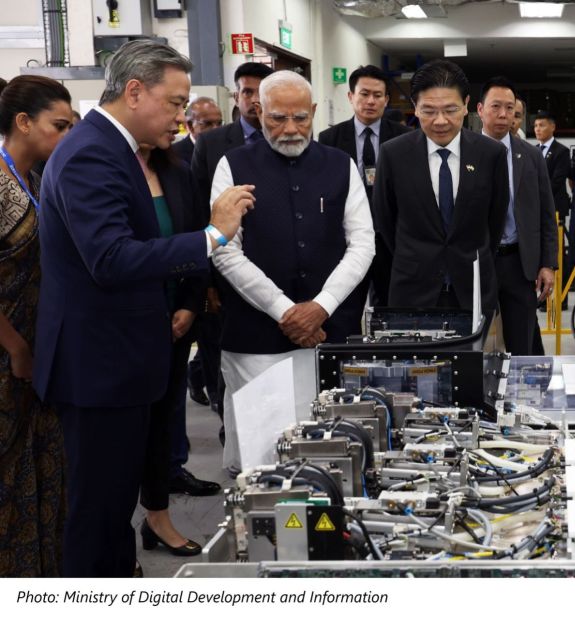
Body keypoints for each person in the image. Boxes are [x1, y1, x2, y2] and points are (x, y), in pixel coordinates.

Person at [33, 39, 255, 577]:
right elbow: (110, 259)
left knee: (112, 510)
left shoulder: (117, 149)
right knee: (97, 514)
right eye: (175, 102)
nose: (180, 116)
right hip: (98, 367)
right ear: (134, 92)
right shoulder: (91, 152)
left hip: (122, 360)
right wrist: (212, 236)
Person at [211, 70, 375, 473]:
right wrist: (286, 311)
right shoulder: (232, 165)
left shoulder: (340, 164)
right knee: (261, 458)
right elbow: (225, 251)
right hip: (255, 338)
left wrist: (321, 306)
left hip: (328, 332)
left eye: (300, 118)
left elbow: (363, 244)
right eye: (277, 118)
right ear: (257, 110)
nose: (289, 129)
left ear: (314, 111)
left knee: (331, 451)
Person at [0, 75, 73, 576]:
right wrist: (15, 347)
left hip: (37, 346)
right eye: (58, 126)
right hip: (9, 352)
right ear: (23, 122)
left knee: (43, 465)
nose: (65, 136)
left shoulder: (39, 176)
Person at [372, 59, 509, 312]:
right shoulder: (393, 154)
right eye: (429, 110)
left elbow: (495, 222)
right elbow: (385, 222)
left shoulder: (491, 154)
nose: (440, 121)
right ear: (415, 107)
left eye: (450, 109)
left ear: (466, 105)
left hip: (473, 291)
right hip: (412, 290)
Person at [137, 144, 213, 556]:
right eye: (171, 111)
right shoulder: (106, 170)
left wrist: (189, 304)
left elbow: (198, 240)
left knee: (161, 426)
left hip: (175, 322)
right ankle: (113, 542)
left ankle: (157, 518)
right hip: (127, 326)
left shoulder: (178, 172)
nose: (177, 119)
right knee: (123, 436)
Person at [477, 76, 557, 355]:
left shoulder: (531, 156)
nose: (503, 114)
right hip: (478, 262)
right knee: (472, 344)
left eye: (510, 108)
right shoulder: (466, 152)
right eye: (496, 106)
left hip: (518, 263)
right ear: (480, 109)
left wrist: (548, 264)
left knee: (522, 343)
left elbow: (546, 213)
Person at [318, 65, 408, 306]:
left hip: (390, 239)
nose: (370, 101)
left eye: (378, 95)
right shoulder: (329, 139)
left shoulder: (404, 137)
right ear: (351, 96)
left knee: (389, 306)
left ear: (386, 100)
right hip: (346, 238)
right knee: (346, 305)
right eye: (364, 94)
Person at [173, 96, 223, 167]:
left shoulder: (227, 149)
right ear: (190, 126)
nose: (216, 129)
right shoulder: (174, 155)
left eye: (219, 123)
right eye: (208, 124)